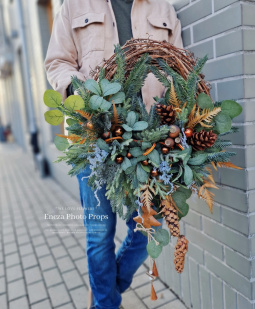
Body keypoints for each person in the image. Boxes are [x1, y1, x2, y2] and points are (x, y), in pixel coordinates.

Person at [44, 0, 183, 308]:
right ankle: (106, 303)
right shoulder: (74, 5)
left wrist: (171, 107)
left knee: (152, 222)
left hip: (147, 141)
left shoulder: (163, 9)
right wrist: (78, 90)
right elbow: (57, 63)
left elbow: (177, 67)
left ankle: (111, 288)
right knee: (98, 234)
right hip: (92, 139)